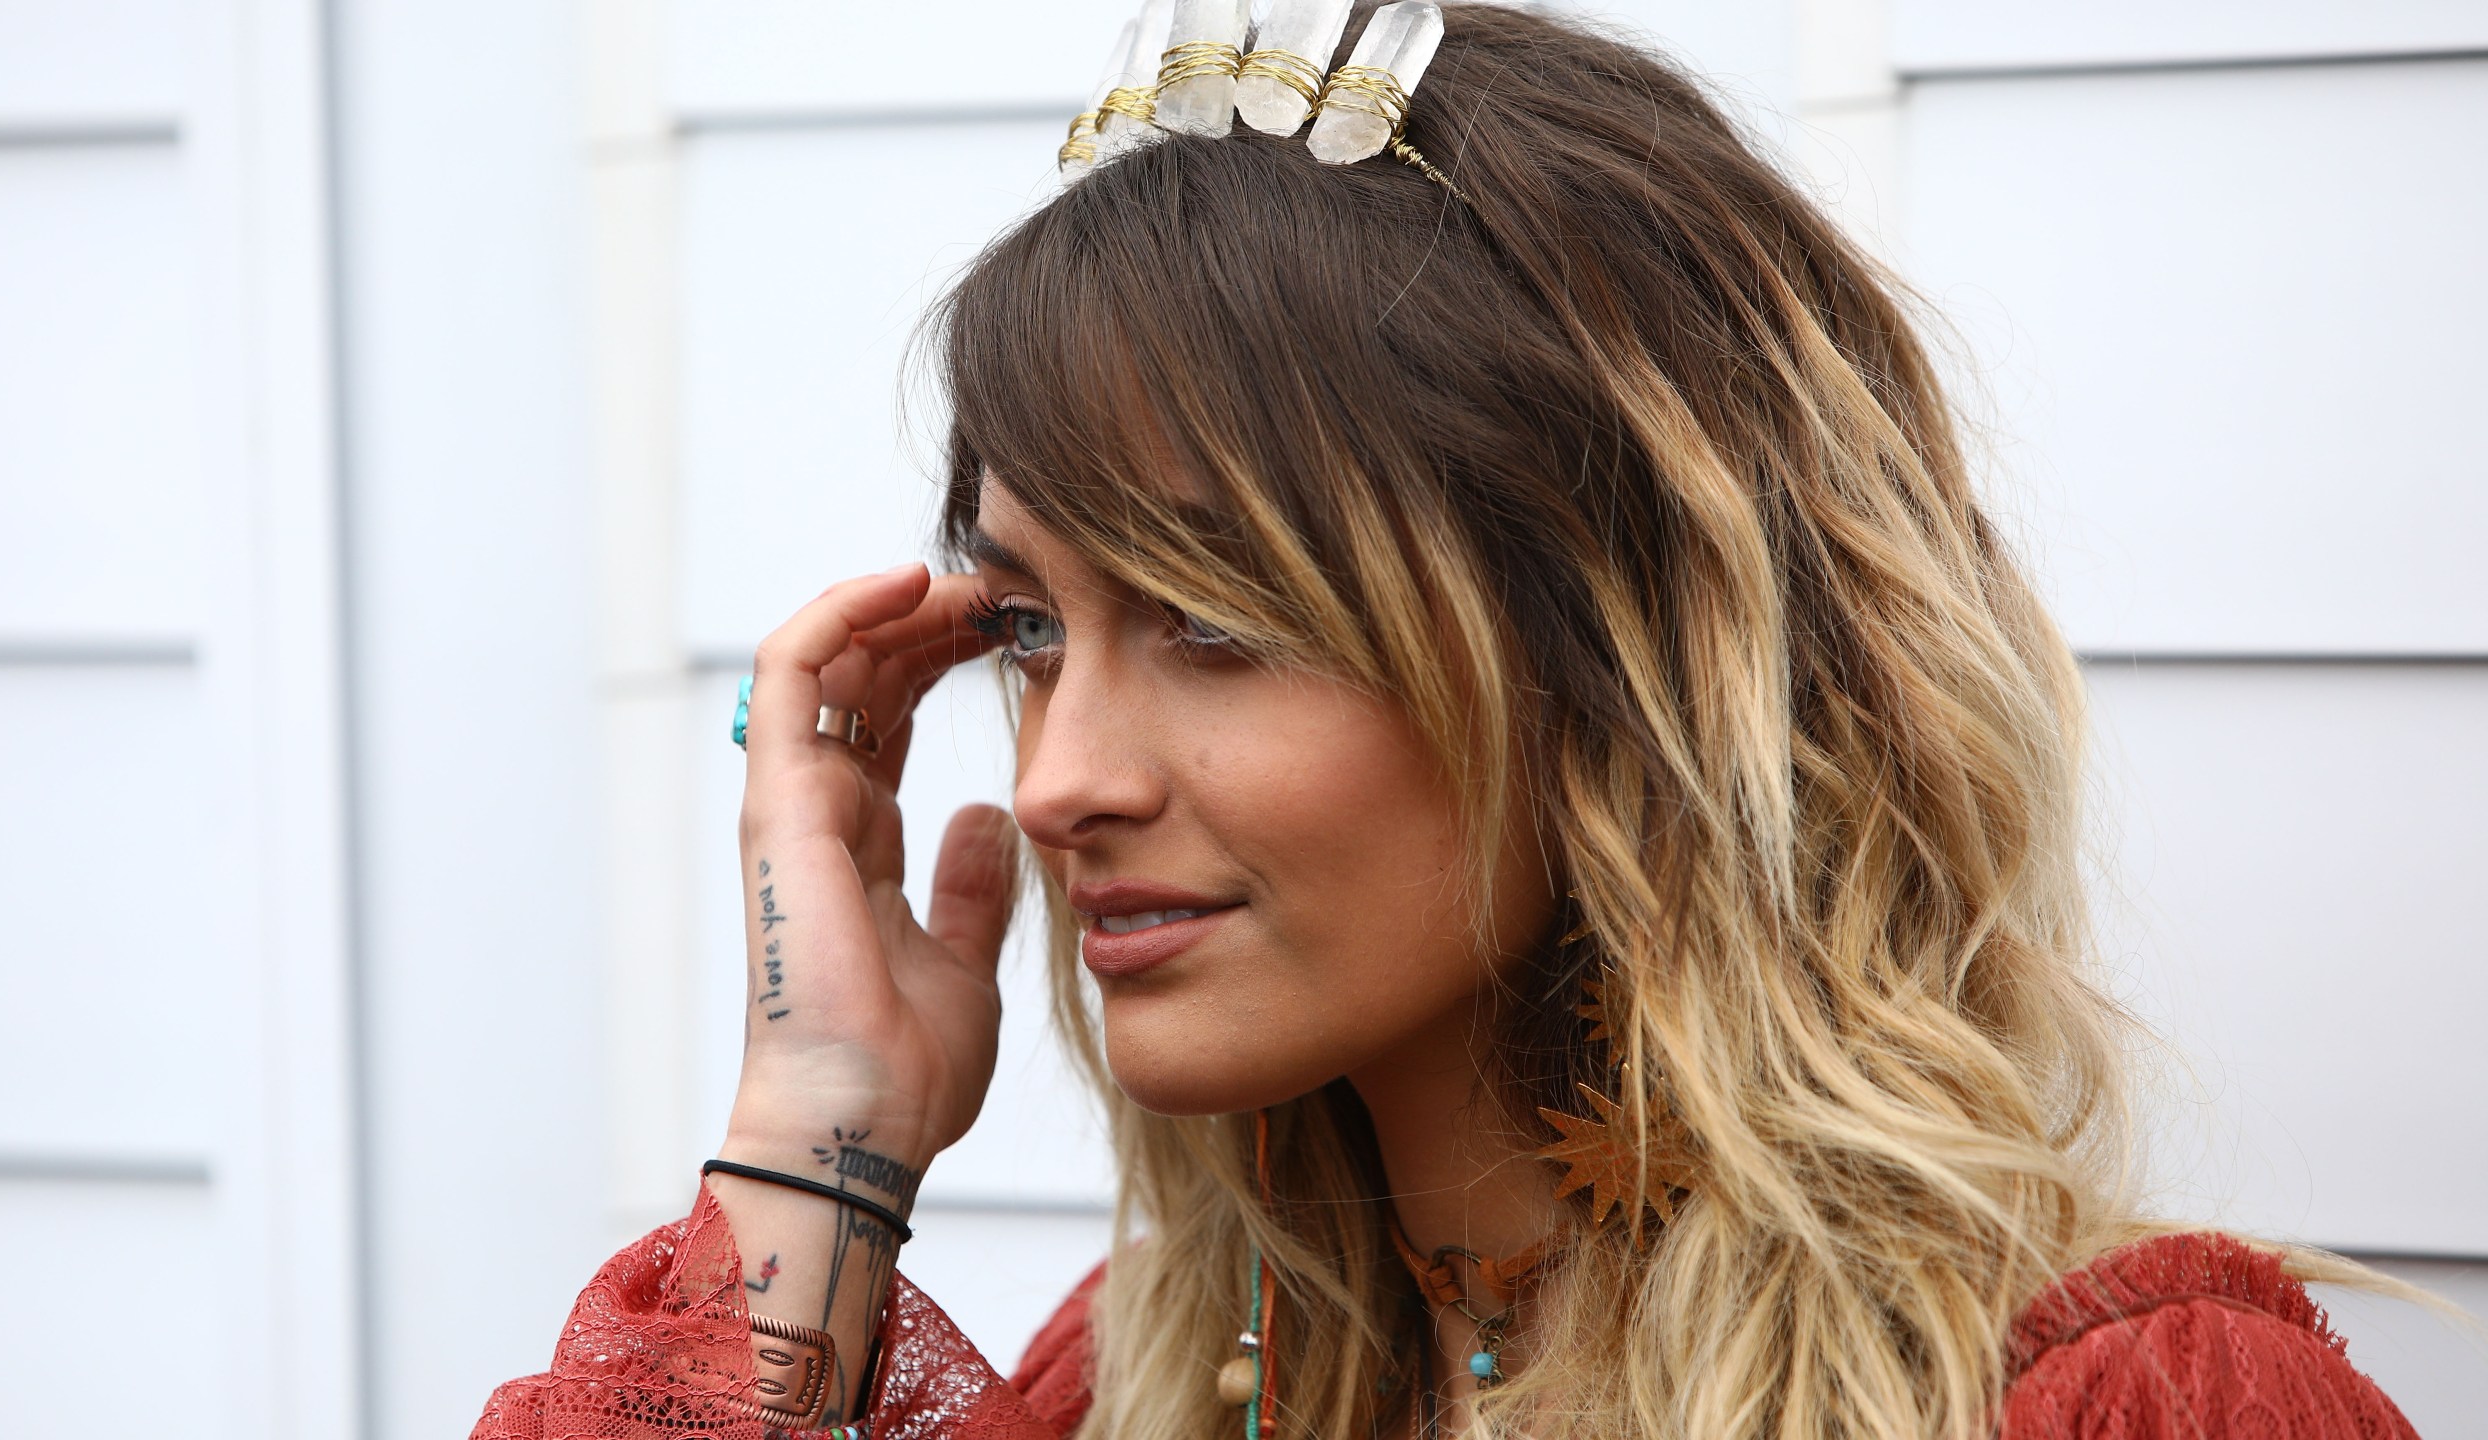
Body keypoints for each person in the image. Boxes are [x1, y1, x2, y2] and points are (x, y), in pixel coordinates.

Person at [473, 4, 2419, 1436]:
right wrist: (819, 1132)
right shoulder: (1163, 1382)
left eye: (1218, 621)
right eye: (1031, 633)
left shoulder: (2121, 1407)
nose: (1059, 779)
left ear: (1625, 664)